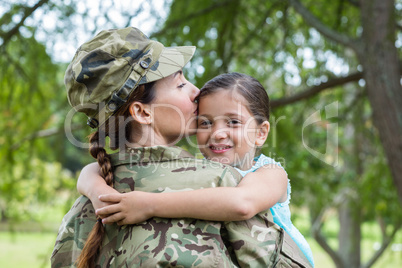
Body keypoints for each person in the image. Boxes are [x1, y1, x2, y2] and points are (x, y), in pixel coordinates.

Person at [51, 26, 311, 268]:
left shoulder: (85, 207)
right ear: (142, 112)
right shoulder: (219, 182)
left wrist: (98, 192)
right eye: (180, 84)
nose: (196, 91)